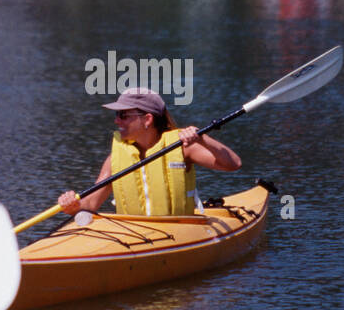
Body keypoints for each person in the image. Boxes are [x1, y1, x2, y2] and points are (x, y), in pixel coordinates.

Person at [57, 87, 241, 218]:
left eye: (123, 115)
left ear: (147, 119)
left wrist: (202, 138)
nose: (117, 121)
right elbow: (90, 204)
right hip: (136, 233)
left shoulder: (183, 147)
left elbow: (233, 164)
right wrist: (72, 206)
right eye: (116, 115)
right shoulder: (116, 158)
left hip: (180, 230)